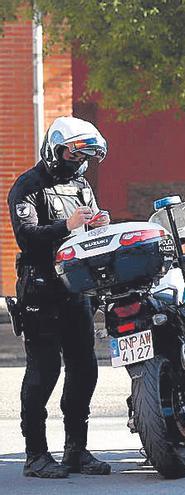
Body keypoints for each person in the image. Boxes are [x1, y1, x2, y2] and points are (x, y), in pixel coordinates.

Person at [8, 116, 111, 478]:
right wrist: (67, 226)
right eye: (74, 150)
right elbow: (28, 238)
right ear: (55, 150)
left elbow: (89, 236)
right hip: (40, 291)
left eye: (85, 152)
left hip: (75, 289)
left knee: (84, 369)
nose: (79, 158)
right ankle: (36, 455)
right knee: (44, 371)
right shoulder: (28, 186)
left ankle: (76, 451)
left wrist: (98, 225)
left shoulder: (81, 185)